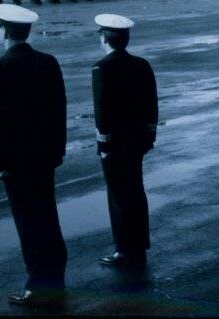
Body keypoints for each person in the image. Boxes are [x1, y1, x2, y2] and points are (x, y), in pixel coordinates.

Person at [0, 4, 68, 306]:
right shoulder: (47, 62)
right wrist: (57, 150)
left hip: (16, 162)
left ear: (4, 30)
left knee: (28, 223)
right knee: (47, 216)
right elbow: (59, 109)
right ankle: (55, 279)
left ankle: (38, 286)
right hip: (44, 156)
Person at [92, 14, 159, 268]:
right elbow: (151, 103)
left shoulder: (102, 67)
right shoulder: (141, 64)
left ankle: (124, 249)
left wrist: (104, 145)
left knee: (119, 196)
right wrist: (149, 135)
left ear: (103, 38)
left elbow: (102, 111)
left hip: (116, 144)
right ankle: (139, 245)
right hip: (137, 141)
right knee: (136, 192)